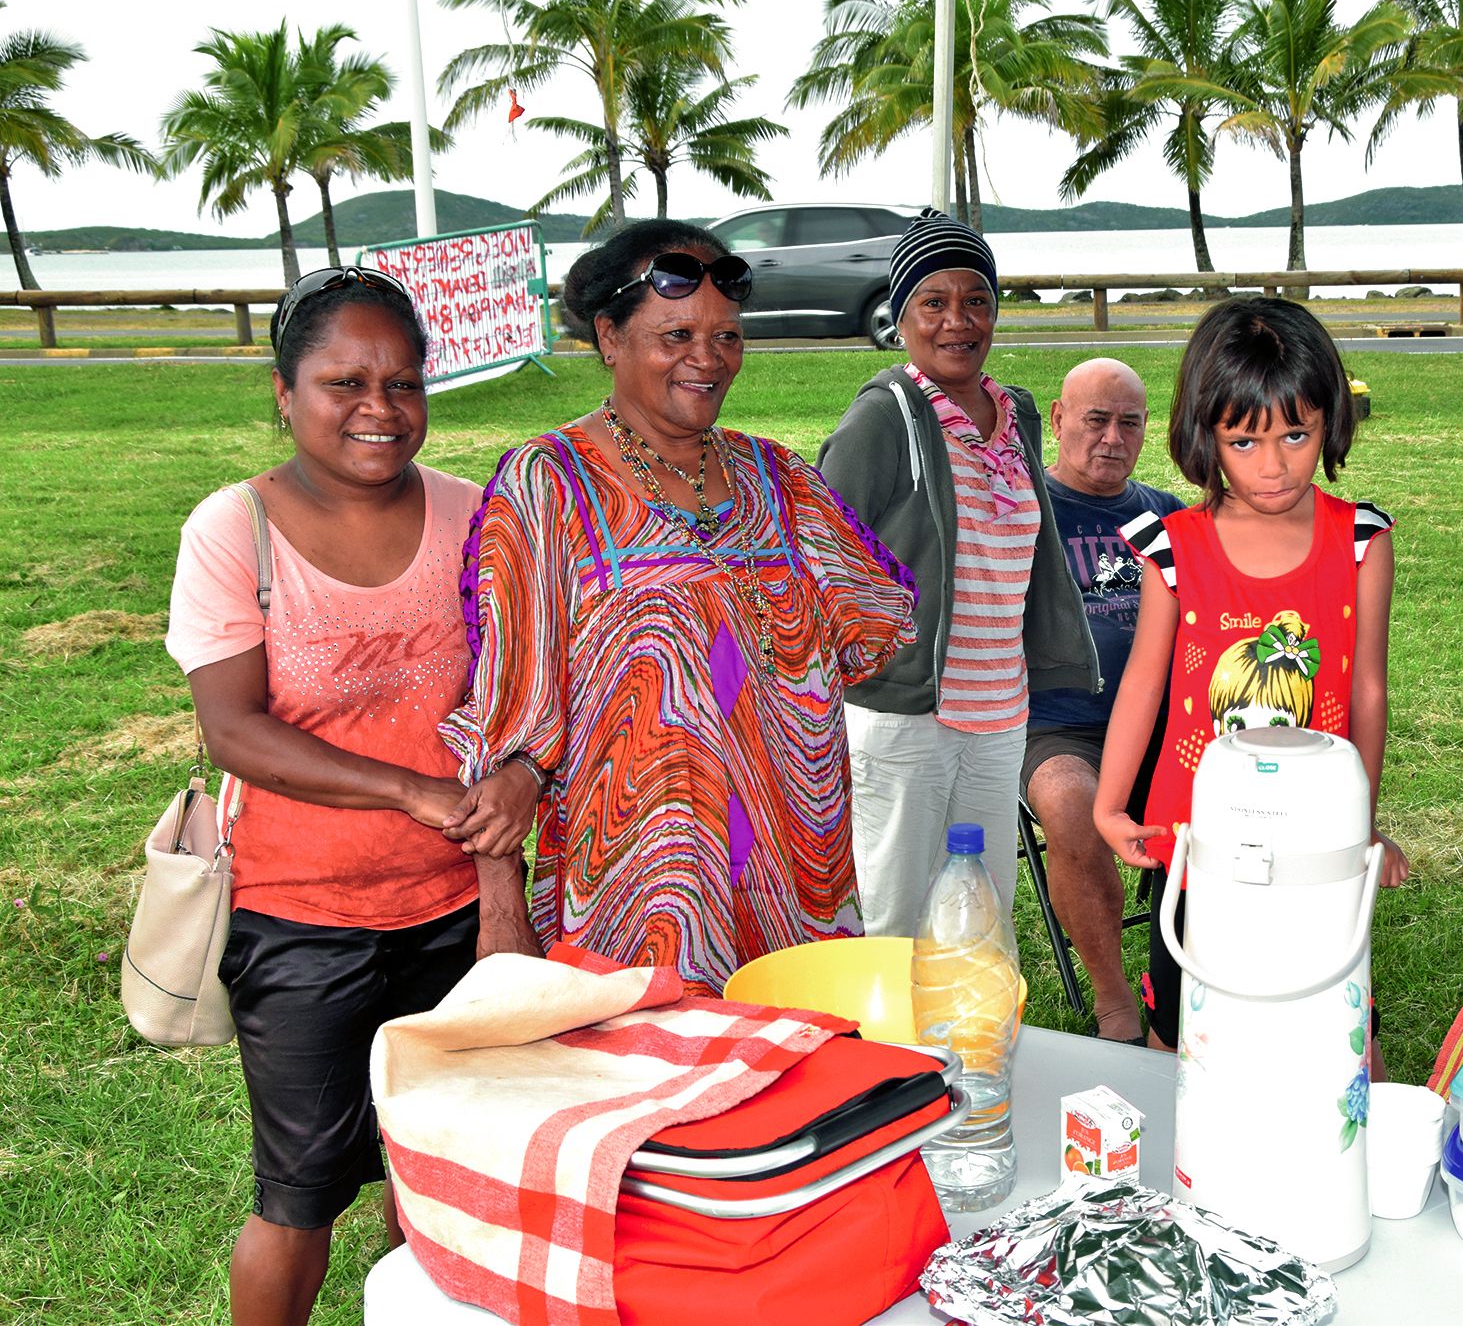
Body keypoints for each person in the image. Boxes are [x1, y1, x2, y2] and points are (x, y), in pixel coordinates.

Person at [166, 267, 527, 1325]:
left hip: (455, 911)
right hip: (302, 922)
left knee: (441, 1171)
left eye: (403, 383)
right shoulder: (235, 531)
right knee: (300, 1198)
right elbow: (233, 730)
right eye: (344, 382)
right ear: (284, 393)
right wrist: (408, 789)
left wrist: (512, 795)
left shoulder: (476, 515)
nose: (379, 409)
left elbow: (518, 698)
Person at [439, 219, 916, 993]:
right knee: (661, 1084)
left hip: (795, 870)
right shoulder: (549, 484)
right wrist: (501, 909)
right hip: (642, 879)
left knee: (796, 1080)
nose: (707, 359)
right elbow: (505, 711)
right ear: (608, 337)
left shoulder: (780, 480)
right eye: (676, 335)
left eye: (726, 336)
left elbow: (871, 633)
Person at [1091, 296, 1410, 1055]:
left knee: (1332, 1030)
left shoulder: (1361, 541)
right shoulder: (1170, 547)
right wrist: (1108, 806)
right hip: (1197, 846)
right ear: (1205, 437)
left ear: (1330, 420)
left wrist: (1358, 827)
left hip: (1315, 847)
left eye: (1295, 434)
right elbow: (1143, 684)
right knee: (1185, 1030)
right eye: (1244, 441)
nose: (1273, 465)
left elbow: (1366, 689)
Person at [818, 209, 1097, 938]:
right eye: (932, 302)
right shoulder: (885, 418)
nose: (956, 320)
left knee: (978, 908)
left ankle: (964, 1050)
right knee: (894, 913)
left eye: (975, 299)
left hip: (1000, 708)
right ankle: (885, 1053)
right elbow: (819, 555)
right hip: (905, 711)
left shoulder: (1016, 412)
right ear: (900, 317)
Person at [1019, 358, 1184, 1043]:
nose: (1112, 437)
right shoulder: (1021, 510)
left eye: (1129, 423)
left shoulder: (1168, 514)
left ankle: (1199, 983)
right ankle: (1117, 1001)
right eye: (1095, 419)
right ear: (1057, 419)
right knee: (1067, 801)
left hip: (1165, 725)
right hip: (1061, 726)